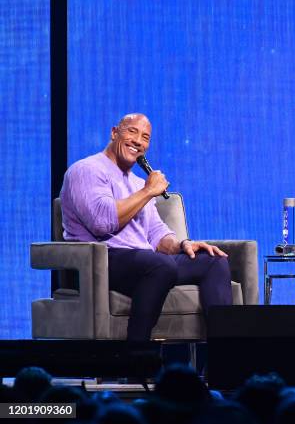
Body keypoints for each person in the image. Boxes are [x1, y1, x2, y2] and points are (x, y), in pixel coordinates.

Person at [60, 113, 232, 340]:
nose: (138, 141)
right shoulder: (86, 170)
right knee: (159, 265)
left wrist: (183, 244)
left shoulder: (139, 183)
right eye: (132, 131)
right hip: (101, 262)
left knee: (213, 261)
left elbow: (156, 235)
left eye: (145, 137)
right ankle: (136, 354)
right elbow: (102, 223)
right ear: (114, 133)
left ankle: (224, 357)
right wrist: (148, 192)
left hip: (145, 262)